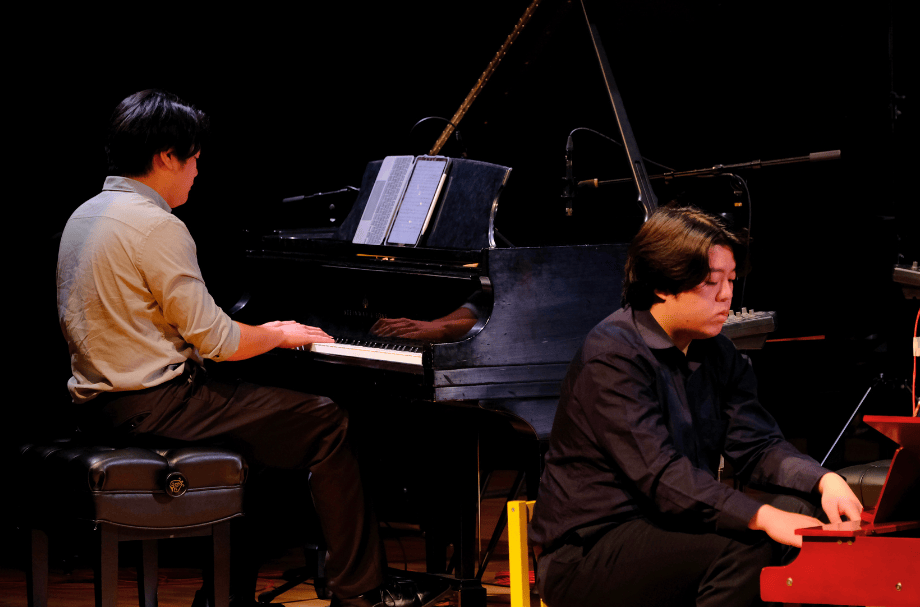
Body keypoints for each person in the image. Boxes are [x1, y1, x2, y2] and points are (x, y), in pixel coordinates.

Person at [56, 89, 449, 607]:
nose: (198, 170)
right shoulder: (155, 225)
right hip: (157, 403)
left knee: (264, 441)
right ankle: (363, 594)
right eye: (194, 157)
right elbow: (217, 342)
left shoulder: (86, 214)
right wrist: (279, 334)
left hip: (98, 407)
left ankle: (225, 593)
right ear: (165, 157)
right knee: (327, 420)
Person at [530, 206, 863, 607]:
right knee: (747, 545)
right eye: (710, 282)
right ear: (662, 285)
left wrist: (824, 480)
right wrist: (761, 516)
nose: (727, 295)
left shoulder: (716, 350)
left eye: (731, 280)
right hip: (592, 548)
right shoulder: (613, 353)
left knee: (802, 512)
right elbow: (660, 474)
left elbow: (757, 445)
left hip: (668, 525)